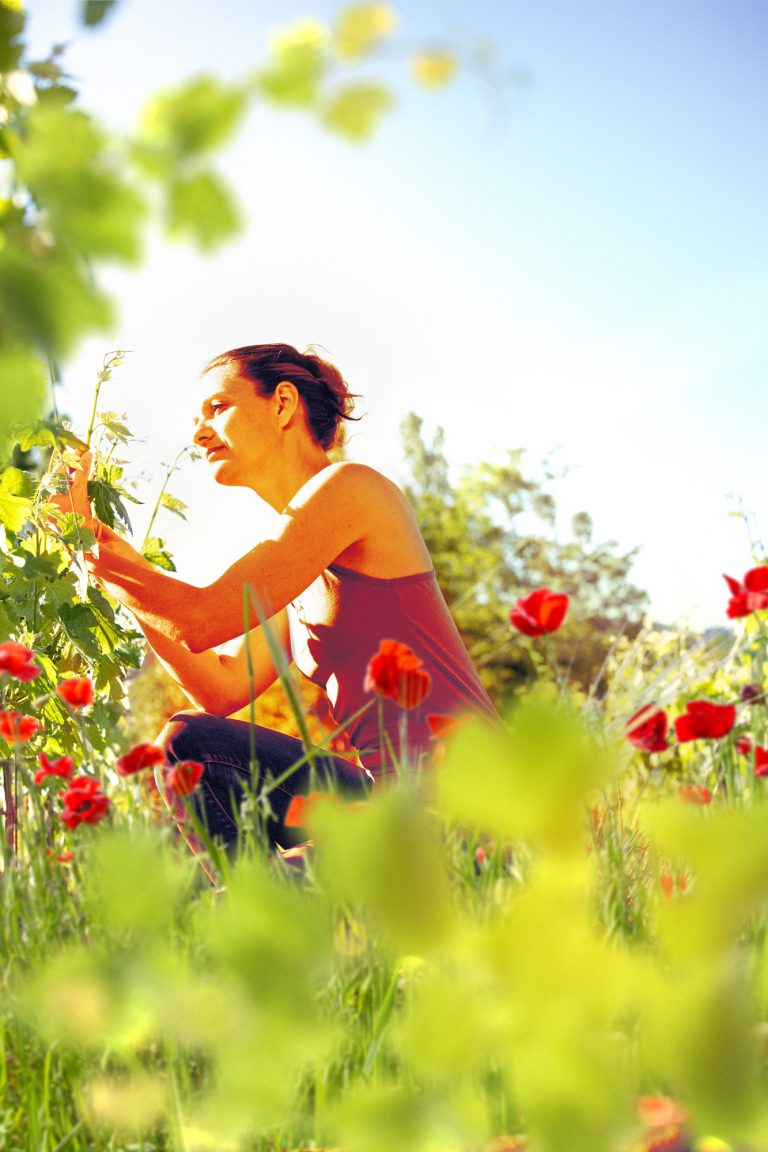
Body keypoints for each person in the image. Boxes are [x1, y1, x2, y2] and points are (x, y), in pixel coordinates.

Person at [54, 343, 502, 851]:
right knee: (193, 746)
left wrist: (89, 543)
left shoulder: (350, 489)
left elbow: (201, 619)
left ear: (284, 404)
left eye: (217, 408)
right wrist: (123, 568)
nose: (199, 433)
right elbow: (220, 690)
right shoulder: (299, 567)